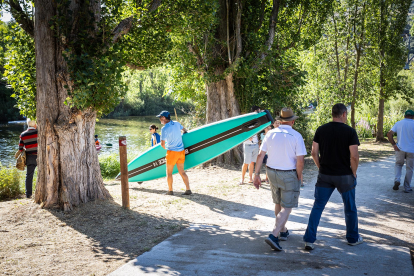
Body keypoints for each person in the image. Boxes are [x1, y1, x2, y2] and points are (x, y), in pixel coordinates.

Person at [303, 103, 362, 250]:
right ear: (343, 114)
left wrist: (320, 166)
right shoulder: (350, 132)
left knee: (317, 207)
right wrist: (353, 172)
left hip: (325, 175)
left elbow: (313, 152)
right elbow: (354, 157)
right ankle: (352, 238)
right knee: (350, 207)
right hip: (344, 176)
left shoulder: (321, 130)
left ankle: (309, 239)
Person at [253, 107, 306, 251]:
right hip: (289, 173)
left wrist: (256, 174)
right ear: (293, 121)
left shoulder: (270, 134)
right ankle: (274, 235)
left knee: (278, 202)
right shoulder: (296, 136)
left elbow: (260, 155)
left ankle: (283, 231)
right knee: (287, 206)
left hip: (271, 172)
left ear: (281, 120)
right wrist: (299, 176)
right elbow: (300, 161)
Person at [157, 110, 192, 195]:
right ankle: (188, 190)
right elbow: (185, 131)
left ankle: (170, 191)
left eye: (160, 118)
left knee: (169, 173)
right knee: (182, 172)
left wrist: (166, 148)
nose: (159, 119)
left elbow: (162, 144)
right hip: (181, 152)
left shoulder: (164, 128)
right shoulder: (176, 123)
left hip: (172, 152)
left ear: (164, 118)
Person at [387, 110, 414, 193]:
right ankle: (407, 187)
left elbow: (389, 134)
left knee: (398, 164)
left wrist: (394, 144)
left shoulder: (399, 123)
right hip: (412, 150)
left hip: (400, 148)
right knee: (409, 168)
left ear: (404, 116)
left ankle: (397, 180)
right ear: (413, 116)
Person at [240, 106, 261, 184]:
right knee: (246, 162)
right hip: (247, 145)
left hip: (255, 145)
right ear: (255, 111)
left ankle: (250, 178)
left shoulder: (257, 121)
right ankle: (242, 179)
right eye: (259, 111)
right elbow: (242, 131)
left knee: (252, 162)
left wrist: (258, 143)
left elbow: (257, 133)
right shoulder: (247, 119)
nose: (260, 112)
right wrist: (248, 136)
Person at [18, 118, 38, 198]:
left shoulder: (23, 134)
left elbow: (20, 149)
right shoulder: (39, 132)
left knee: (29, 176)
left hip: (29, 157)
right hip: (40, 157)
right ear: (35, 124)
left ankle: (28, 194)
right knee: (43, 174)